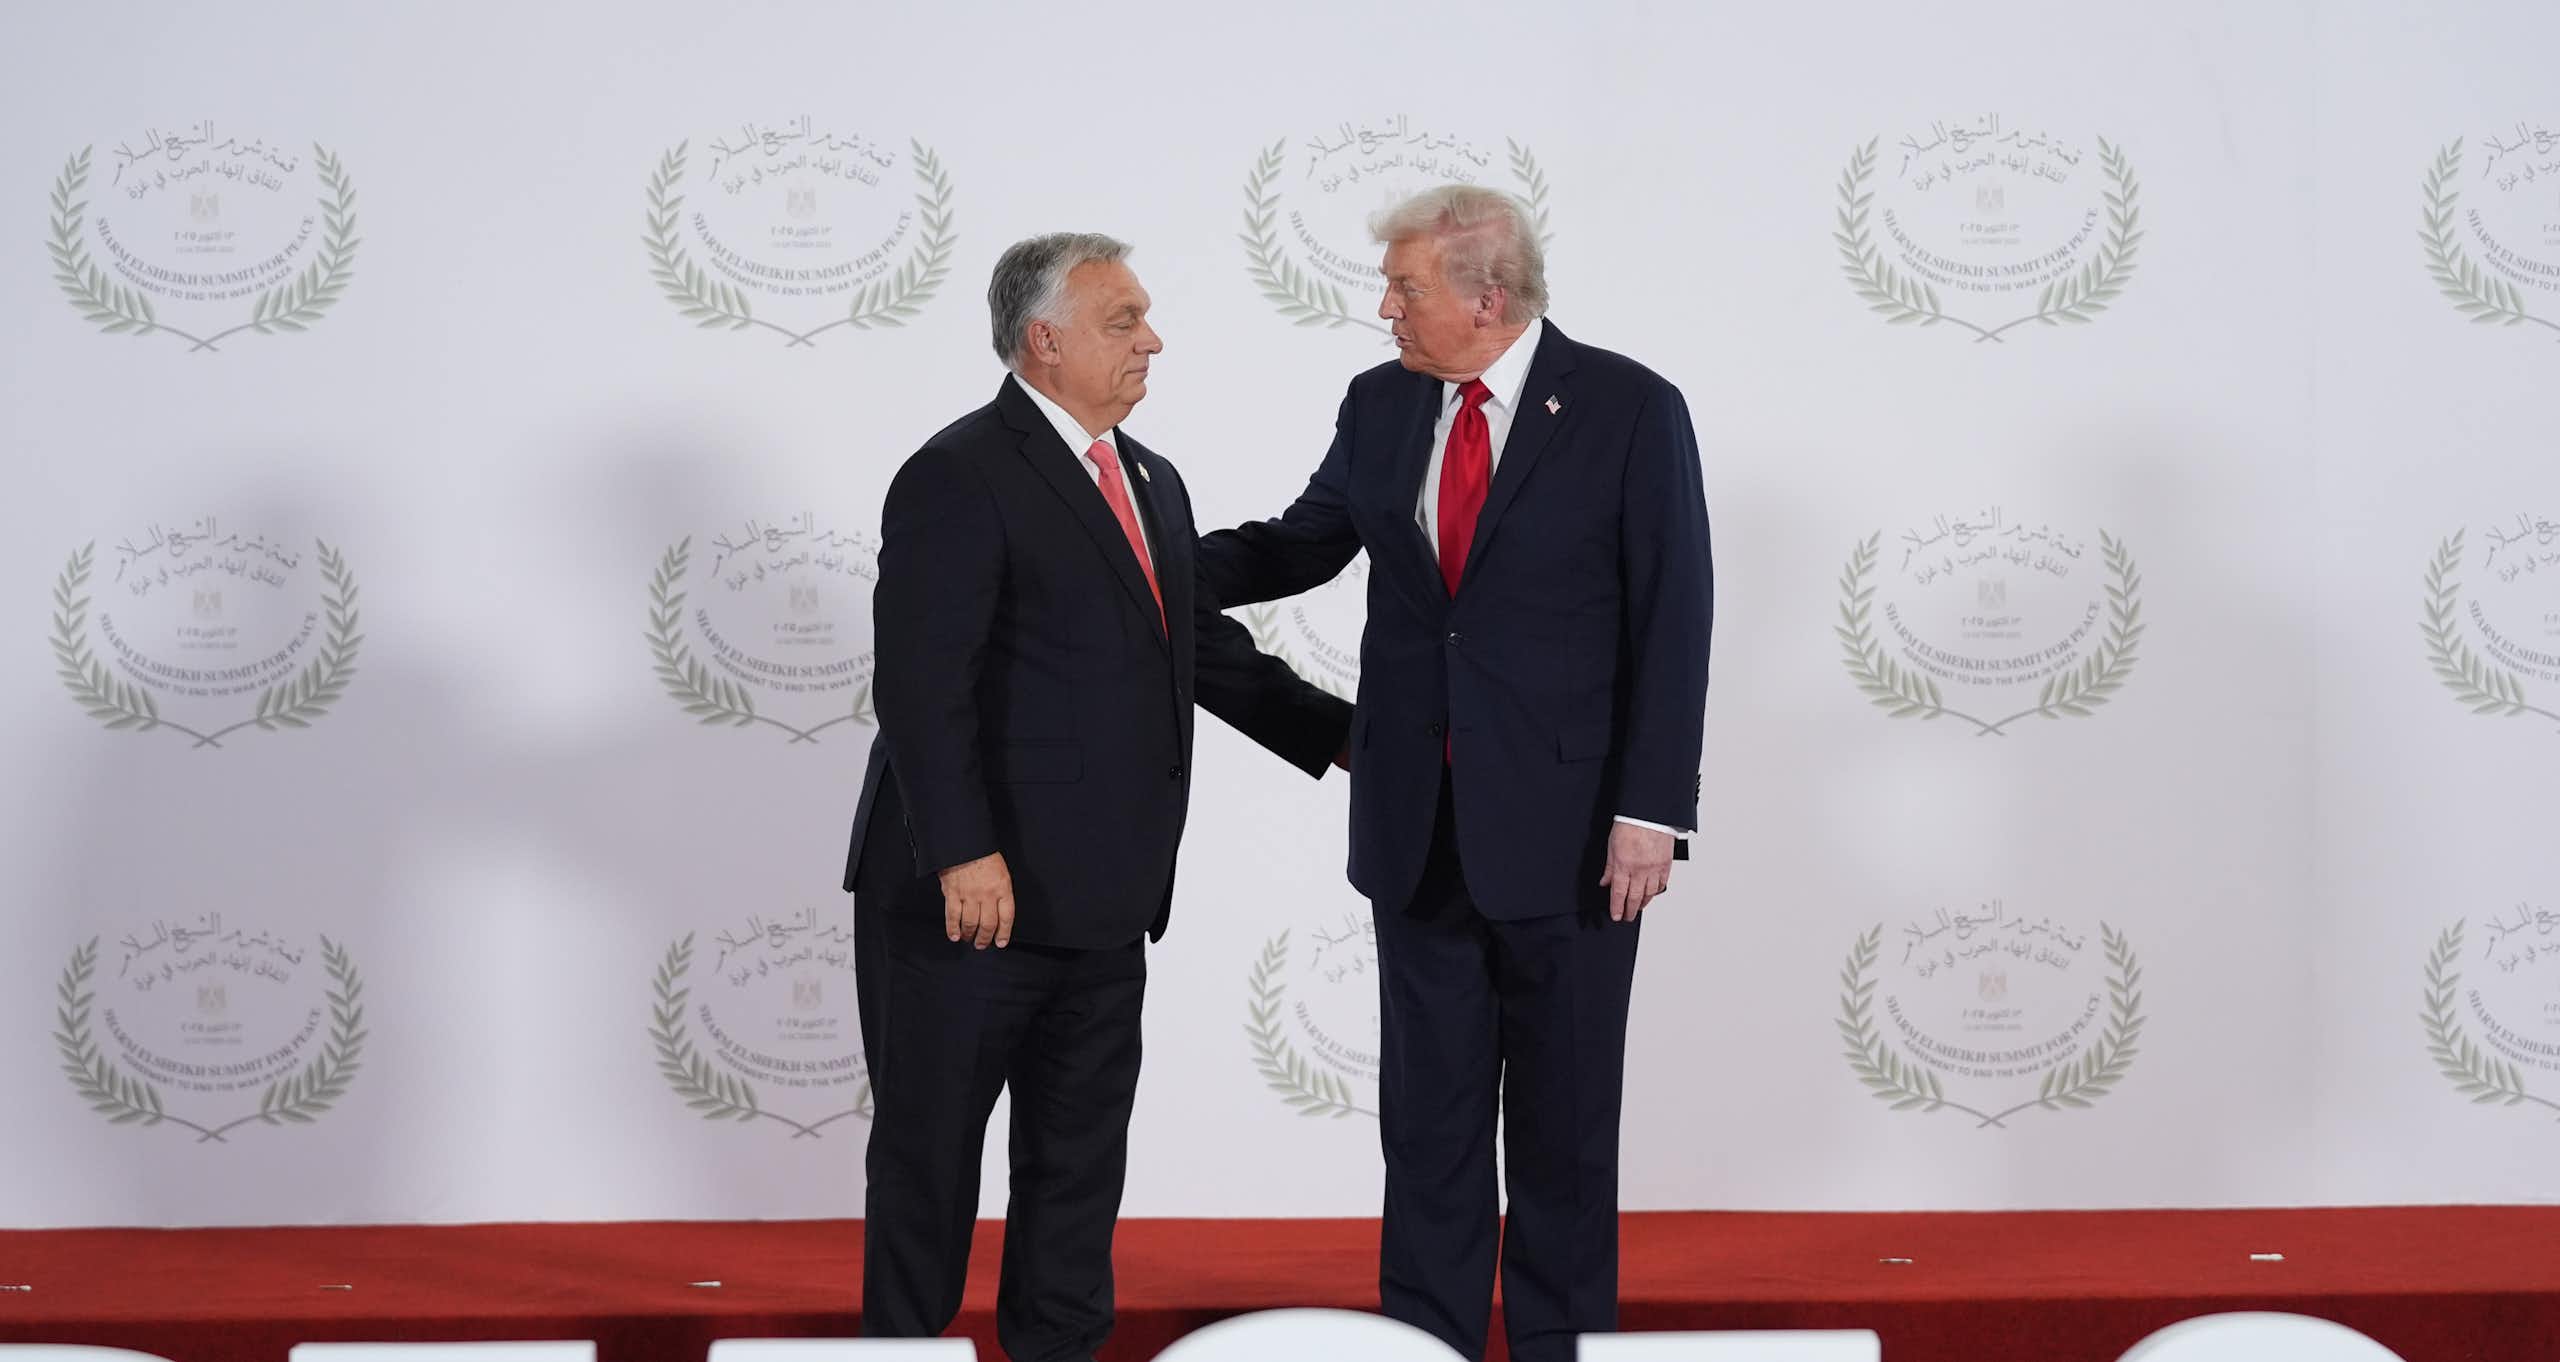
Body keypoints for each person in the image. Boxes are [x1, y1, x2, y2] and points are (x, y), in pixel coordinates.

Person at [1197, 185, 1713, 1362]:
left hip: (1575, 836)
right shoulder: (1380, 402)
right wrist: (1137, 561)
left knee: (1562, 1137)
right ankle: (1421, 1347)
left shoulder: (1629, 407)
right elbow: (1299, 545)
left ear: (1488, 298)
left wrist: (1649, 810)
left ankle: (1558, 1350)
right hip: (1416, 826)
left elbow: (1673, 613)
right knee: (1426, 1134)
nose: (1385, 310)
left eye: (1404, 288)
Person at [842, 232, 1351, 1361]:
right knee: (929, 1165)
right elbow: (922, 684)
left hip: (1105, 903)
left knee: (1076, 1173)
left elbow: (1198, 651)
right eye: (1123, 321)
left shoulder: (1150, 479)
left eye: (1145, 319)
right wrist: (963, 852)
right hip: (966, 901)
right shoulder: (958, 470)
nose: (1151, 341)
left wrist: (1355, 741)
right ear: (1044, 339)